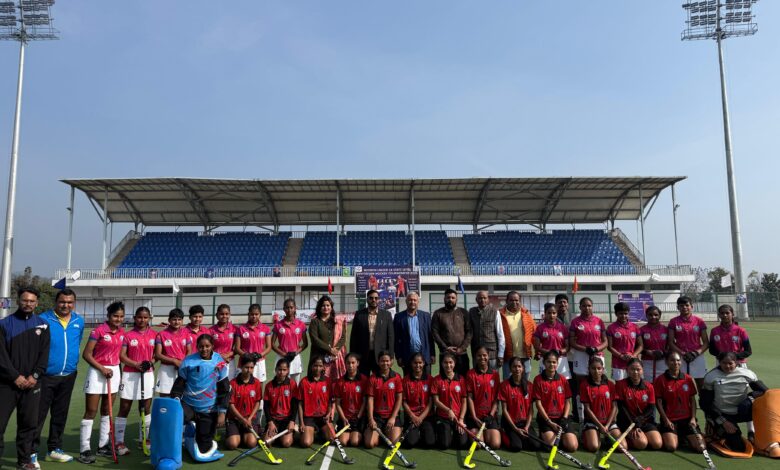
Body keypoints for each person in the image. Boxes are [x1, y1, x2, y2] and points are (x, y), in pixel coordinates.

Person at [0, 288, 50, 470]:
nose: (28, 304)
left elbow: (44, 355)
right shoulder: (4, 324)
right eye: (24, 300)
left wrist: (34, 376)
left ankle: (23, 461)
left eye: (31, 301)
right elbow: (1, 356)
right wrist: (15, 376)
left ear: (37, 303)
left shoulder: (43, 325)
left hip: (32, 384)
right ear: (18, 301)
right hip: (7, 384)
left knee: (28, 424)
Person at [34, 288, 84, 463]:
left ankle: (54, 449)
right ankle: (30, 452)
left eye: (70, 302)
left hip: (68, 376)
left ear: (74, 303)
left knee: (60, 414)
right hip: (45, 376)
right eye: (62, 302)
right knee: (37, 416)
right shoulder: (43, 319)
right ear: (56, 302)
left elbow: (77, 342)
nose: (66, 305)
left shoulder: (79, 320)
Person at [79, 301, 126, 464]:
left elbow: (121, 355)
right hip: (97, 372)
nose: (118, 319)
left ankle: (103, 445)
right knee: (91, 411)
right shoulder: (98, 331)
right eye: (115, 316)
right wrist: (101, 368)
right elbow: (86, 354)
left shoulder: (122, 333)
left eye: (121, 316)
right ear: (108, 316)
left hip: (114, 372)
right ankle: (84, 449)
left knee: (107, 410)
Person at [170, 334, 229, 459]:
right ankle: (189, 430)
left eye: (207, 346)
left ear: (212, 346)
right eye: (201, 346)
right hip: (189, 405)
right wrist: (176, 399)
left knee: (204, 448)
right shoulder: (188, 361)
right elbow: (179, 383)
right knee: (174, 418)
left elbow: (224, 389)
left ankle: (202, 437)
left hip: (209, 409)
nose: (204, 349)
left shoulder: (219, 362)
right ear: (197, 347)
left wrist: (222, 412)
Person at [701, 352, 768, 451]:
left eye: (730, 363)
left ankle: (758, 435)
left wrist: (749, 398)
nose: (727, 366)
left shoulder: (747, 374)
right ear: (719, 362)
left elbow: (765, 391)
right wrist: (723, 421)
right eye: (724, 363)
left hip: (742, 410)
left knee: (762, 409)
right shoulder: (711, 376)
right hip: (723, 414)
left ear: (736, 362)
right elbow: (705, 403)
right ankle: (715, 429)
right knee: (738, 447)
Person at [115, 306, 156, 456]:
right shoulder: (128, 335)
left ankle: (144, 439)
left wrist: (150, 363)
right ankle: (119, 442)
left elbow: (157, 355)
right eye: (139, 317)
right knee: (125, 407)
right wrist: (135, 364)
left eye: (145, 317)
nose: (142, 320)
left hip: (147, 374)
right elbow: (122, 356)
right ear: (134, 318)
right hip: (130, 374)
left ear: (149, 318)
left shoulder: (155, 335)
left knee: (145, 407)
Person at [654, 351, 706, 452]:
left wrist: (693, 418)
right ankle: (664, 430)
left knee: (701, 448)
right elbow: (658, 402)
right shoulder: (660, 380)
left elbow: (692, 400)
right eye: (672, 360)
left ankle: (682, 435)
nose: (676, 363)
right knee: (671, 447)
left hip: (687, 420)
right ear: (666, 362)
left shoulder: (688, 379)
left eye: (678, 360)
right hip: (670, 420)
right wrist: (666, 420)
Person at [569, 297, 607, 423]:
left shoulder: (599, 321)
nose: (587, 308)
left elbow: (605, 341)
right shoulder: (575, 322)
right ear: (580, 307)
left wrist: (596, 349)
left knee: (598, 383)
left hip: (597, 355)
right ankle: (581, 417)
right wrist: (585, 349)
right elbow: (572, 342)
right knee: (581, 386)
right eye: (584, 306)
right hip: (581, 355)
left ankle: (599, 414)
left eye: (589, 305)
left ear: (592, 306)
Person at [533, 351, 577, 452]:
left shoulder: (563, 379)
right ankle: (545, 434)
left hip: (562, 419)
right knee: (551, 446)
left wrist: (564, 418)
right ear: (544, 363)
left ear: (557, 363)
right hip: (546, 419)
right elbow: (538, 404)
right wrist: (549, 422)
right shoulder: (538, 380)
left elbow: (567, 401)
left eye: (554, 362)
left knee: (572, 446)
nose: (551, 364)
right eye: (549, 362)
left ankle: (560, 437)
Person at [615, 358, 662, 450]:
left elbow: (651, 408)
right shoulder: (620, 385)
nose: (635, 372)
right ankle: (629, 439)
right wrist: (633, 423)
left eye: (638, 369)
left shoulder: (649, 386)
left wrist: (641, 419)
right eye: (632, 369)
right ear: (627, 370)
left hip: (645, 421)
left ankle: (642, 436)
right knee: (641, 444)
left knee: (657, 444)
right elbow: (622, 407)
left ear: (642, 370)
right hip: (628, 421)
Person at [668, 296, 709, 391]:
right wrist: (682, 353)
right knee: (682, 384)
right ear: (678, 307)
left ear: (692, 306)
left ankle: (703, 400)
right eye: (681, 305)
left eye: (687, 305)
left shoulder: (699, 321)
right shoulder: (673, 321)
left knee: (701, 383)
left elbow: (706, 343)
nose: (684, 307)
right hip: (681, 357)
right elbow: (670, 342)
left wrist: (696, 353)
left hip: (697, 356)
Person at [579, 356, 619, 452]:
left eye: (599, 368)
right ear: (589, 369)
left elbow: (614, 407)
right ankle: (585, 435)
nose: (596, 371)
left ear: (603, 369)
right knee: (594, 447)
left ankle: (607, 439)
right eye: (593, 368)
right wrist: (600, 426)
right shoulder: (584, 385)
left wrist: (607, 425)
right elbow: (587, 409)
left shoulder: (610, 384)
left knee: (622, 447)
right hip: (592, 422)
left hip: (608, 422)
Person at [498, 357, 539, 452]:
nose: (517, 369)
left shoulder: (529, 385)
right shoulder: (504, 385)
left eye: (519, 366)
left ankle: (520, 437)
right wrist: (516, 429)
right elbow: (504, 410)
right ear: (510, 368)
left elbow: (531, 409)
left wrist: (527, 427)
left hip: (524, 423)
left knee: (536, 446)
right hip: (511, 424)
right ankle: (502, 432)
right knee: (516, 447)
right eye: (514, 366)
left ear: (523, 368)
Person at [350, 290, 393, 376]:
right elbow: (354, 337)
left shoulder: (386, 315)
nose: (374, 300)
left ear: (379, 300)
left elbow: (391, 336)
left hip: (380, 355)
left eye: (376, 298)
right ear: (367, 299)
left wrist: (391, 356)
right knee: (362, 379)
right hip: (363, 354)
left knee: (379, 380)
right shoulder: (359, 314)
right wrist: (353, 355)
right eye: (371, 298)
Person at [365, 351, 403, 448]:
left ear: (391, 361)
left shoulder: (397, 377)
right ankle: (380, 434)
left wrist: (393, 417)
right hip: (377, 417)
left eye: (387, 361)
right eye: (382, 361)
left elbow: (399, 398)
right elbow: (370, 399)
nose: (385, 363)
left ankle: (391, 431)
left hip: (391, 415)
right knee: (369, 444)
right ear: (378, 362)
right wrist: (371, 419)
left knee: (394, 443)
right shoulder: (373, 378)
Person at [224, 354, 263, 450]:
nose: (249, 370)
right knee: (232, 444)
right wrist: (242, 419)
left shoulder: (257, 383)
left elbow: (257, 402)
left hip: (250, 419)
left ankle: (242, 435)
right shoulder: (232, 383)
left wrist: (249, 418)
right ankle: (233, 434)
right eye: (246, 367)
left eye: (251, 368)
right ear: (241, 366)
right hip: (235, 419)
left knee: (251, 443)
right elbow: (231, 405)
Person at [466, 347, 501, 449]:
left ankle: (490, 433)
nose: (482, 358)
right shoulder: (471, 374)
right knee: (477, 445)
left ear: (488, 356)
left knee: (495, 444)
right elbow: (469, 398)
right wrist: (474, 417)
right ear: (475, 357)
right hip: (475, 417)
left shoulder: (495, 374)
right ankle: (482, 434)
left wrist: (491, 415)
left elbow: (496, 398)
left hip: (489, 417)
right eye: (479, 355)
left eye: (484, 355)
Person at [431, 352, 468, 449]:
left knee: (462, 444)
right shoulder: (437, 380)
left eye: (450, 362)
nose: (448, 365)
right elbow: (436, 401)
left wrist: (461, 419)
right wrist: (448, 410)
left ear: (454, 363)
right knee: (444, 445)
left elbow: (464, 401)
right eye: (445, 362)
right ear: (442, 364)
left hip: (458, 417)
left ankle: (454, 434)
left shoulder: (461, 379)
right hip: (443, 417)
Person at [296, 356, 335, 448]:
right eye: (315, 366)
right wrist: (301, 422)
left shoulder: (327, 381)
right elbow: (300, 404)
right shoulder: (304, 382)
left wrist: (329, 413)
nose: (318, 368)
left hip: (323, 418)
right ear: (311, 366)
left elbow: (330, 401)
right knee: (306, 443)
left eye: (320, 366)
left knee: (332, 439)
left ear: (323, 367)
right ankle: (308, 432)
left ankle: (320, 432)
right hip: (309, 418)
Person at [432, 289, 472, 376]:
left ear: (456, 299)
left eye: (453, 298)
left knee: (463, 379)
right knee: (445, 380)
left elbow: (469, 332)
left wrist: (462, 348)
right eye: (448, 297)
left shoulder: (463, 312)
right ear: (444, 299)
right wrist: (446, 348)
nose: (450, 299)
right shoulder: (438, 313)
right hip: (445, 354)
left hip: (461, 354)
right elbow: (435, 333)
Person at [394, 292, 435, 375]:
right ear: (406, 301)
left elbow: (430, 337)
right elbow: (396, 339)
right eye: (410, 300)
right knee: (408, 380)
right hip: (407, 356)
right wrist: (398, 356)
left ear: (418, 302)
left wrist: (432, 354)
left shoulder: (426, 316)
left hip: (425, 356)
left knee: (426, 380)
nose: (412, 302)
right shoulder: (399, 317)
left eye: (414, 300)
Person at [333, 353, 368, 447]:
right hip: (345, 418)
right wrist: (343, 418)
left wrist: (359, 416)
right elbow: (337, 403)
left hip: (358, 419)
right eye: (348, 363)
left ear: (358, 363)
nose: (350, 365)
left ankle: (359, 433)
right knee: (343, 442)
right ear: (345, 364)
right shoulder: (340, 381)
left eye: (353, 363)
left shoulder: (364, 380)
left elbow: (365, 401)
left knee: (354, 442)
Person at [498, 291, 535, 380]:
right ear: (506, 301)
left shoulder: (526, 315)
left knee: (525, 381)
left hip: (525, 355)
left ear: (519, 301)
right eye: (511, 300)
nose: (514, 302)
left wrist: (538, 351)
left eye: (516, 300)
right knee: (508, 381)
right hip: (508, 355)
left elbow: (534, 332)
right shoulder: (500, 315)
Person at [155, 308, 191, 397]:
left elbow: (189, 351)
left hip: (182, 368)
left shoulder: (186, 333)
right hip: (166, 369)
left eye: (179, 319)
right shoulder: (161, 334)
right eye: (174, 319)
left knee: (182, 396)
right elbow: (158, 354)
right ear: (169, 320)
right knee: (165, 396)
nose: (177, 322)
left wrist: (182, 363)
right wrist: (174, 361)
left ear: (182, 321)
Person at [401, 353, 435, 449]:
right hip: (412, 416)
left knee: (429, 443)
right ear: (411, 364)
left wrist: (420, 418)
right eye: (415, 363)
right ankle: (414, 434)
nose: (418, 365)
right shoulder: (405, 380)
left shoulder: (430, 379)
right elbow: (404, 402)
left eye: (420, 363)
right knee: (410, 443)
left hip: (426, 416)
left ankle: (424, 434)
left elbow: (430, 402)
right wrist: (413, 416)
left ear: (424, 363)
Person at [262, 358, 297, 448]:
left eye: (284, 370)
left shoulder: (292, 384)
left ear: (288, 370)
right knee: (267, 443)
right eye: (279, 369)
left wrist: (292, 421)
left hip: (286, 420)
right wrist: (270, 422)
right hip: (274, 420)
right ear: (275, 370)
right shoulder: (269, 386)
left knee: (286, 443)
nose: (281, 372)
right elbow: (266, 406)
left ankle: (288, 434)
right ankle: (275, 435)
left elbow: (294, 405)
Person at [307, 296, 345, 378]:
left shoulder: (337, 321)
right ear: (319, 307)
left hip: (334, 357)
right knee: (318, 380)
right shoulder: (315, 322)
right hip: (319, 357)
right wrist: (330, 349)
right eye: (323, 305)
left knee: (335, 382)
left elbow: (342, 337)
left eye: (328, 305)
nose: (326, 307)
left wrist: (335, 350)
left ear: (331, 307)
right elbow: (315, 339)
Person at [272, 298, 308, 382]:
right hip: (282, 357)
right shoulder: (278, 325)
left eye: (291, 307)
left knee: (295, 384)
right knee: (281, 383)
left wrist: (295, 353)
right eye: (287, 307)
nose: (289, 310)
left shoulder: (301, 324)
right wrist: (284, 354)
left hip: (295, 357)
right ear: (284, 309)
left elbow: (305, 343)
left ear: (295, 308)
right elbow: (272, 344)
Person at [467, 291, 505, 370]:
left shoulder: (495, 311)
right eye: (480, 298)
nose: (482, 300)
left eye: (484, 298)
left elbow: (500, 334)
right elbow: (469, 331)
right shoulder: (471, 312)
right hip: (476, 353)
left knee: (493, 376)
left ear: (488, 299)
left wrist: (500, 355)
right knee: (477, 375)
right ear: (476, 300)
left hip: (492, 353)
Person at [234, 304, 272, 382]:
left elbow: (269, 347)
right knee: (242, 383)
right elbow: (237, 348)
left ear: (260, 314)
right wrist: (246, 355)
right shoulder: (241, 329)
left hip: (259, 361)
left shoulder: (266, 328)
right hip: (244, 361)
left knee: (259, 383)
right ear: (248, 314)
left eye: (256, 314)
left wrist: (260, 355)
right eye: (252, 314)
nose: (254, 316)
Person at [532, 302, 570, 379]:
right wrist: (549, 352)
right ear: (545, 314)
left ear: (557, 314)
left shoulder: (563, 328)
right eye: (549, 313)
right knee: (545, 381)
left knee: (562, 382)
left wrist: (560, 352)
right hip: (545, 359)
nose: (551, 315)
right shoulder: (540, 328)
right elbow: (537, 346)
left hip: (561, 359)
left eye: (554, 313)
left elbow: (567, 347)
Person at [606, 302, 642, 381]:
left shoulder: (635, 327)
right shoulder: (611, 328)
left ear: (628, 313)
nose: (623, 316)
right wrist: (620, 356)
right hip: (618, 362)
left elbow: (640, 345)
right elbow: (609, 347)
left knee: (633, 383)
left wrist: (633, 355)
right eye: (621, 313)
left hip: (633, 361)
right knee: (619, 384)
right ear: (616, 314)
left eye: (626, 313)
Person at [639, 306, 667, 383]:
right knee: (648, 384)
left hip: (663, 361)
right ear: (646, 315)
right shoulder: (641, 330)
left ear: (660, 316)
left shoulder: (666, 329)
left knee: (662, 383)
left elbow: (670, 346)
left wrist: (663, 353)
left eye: (656, 315)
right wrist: (648, 352)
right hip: (647, 361)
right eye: (650, 315)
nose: (653, 317)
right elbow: (638, 347)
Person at [209, 304, 237, 379]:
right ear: (217, 315)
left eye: (226, 314)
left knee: (229, 382)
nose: (224, 316)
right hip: (215, 361)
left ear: (230, 315)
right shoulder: (211, 330)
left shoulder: (235, 329)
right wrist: (220, 356)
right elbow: (208, 348)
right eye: (221, 314)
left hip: (229, 361)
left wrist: (228, 355)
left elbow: (238, 347)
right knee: (215, 383)